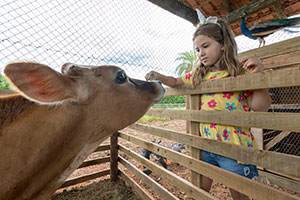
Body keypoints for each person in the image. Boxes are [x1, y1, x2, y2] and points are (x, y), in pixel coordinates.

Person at [145, 17, 271, 200]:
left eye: (205, 46)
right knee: (198, 191)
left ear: (222, 44)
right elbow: (176, 81)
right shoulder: (199, 75)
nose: (200, 53)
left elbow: (260, 106)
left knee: (241, 194)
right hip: (205, 145)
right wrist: (161, 77)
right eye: (197, 50)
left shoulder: (239, 72)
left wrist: (258, 76)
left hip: (235, 148)